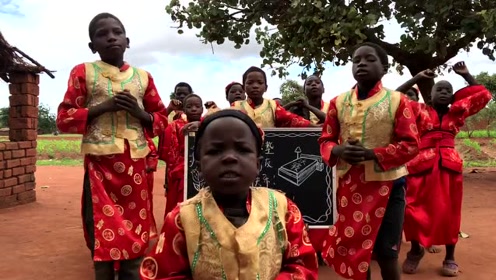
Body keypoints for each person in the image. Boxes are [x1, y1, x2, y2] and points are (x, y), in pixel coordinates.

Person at [139, 109, 319, 279]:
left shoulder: (283, 209)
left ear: (257, 164)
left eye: (242, 149)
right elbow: (165, 274)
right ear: (199, 166)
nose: (229, 158)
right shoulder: (182, 219)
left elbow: (302, 265)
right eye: (215, 151)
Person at [55, 12, 168, 280]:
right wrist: (100, 108)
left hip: (136, 171)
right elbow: (64, 119)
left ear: (127, 41)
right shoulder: (83, 72)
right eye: (102, 34)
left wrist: (142, 115)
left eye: (116, 32)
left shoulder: (143, 77)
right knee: (101, 232)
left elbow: (162, 119)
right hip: (100, 170)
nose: (111, 37)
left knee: (135, 232)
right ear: (92, 46)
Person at [318, 42, 419, 280]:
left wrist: (373, 154)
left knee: (387, 253)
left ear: (384, 68)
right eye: (356, 60)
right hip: (351, 187)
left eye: (369, 59)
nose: (361, 63)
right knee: (356, 253)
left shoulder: (398, 101)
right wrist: (339, 150)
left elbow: (411, 144)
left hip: (390, 186)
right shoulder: (337, 102)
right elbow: (325, 140)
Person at [402, 62, 492, 277]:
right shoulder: (419, 111)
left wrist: (467, 75)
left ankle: (450, 256)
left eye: (448, 90)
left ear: (453, 97)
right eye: (438, 89)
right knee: (412, 211)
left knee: (449, 212)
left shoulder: (459, 113)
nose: (443, 92)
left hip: (449, 168)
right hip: (420, 166)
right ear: (430, 96)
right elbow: (394, 99)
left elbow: (484, 96)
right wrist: (418, 78)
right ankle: (415, 250)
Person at [158, 94, 203, 219]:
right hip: (182, 168)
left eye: (197, 106)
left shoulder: (208, 123)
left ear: (202, 109)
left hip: (204, 165)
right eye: (189, 106)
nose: (194, 109)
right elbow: (172, 151)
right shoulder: (175, 125)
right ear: (184, 109)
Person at [231, 66, 317, 128]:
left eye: (260, 83)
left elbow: (292, 120)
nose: (255, 86)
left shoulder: (273, 105)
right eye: (250, 83)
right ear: (243, 88)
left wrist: (315, 127)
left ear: (266, 88)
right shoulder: (235, 107)